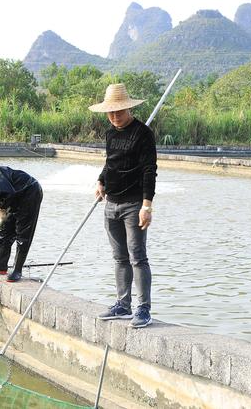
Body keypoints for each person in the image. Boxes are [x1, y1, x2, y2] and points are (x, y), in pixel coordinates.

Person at [90, 83, 157, 329]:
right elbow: (111, 163)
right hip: (111, 203)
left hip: (133, 204)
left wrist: (147, 205)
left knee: (137, 257)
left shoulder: (143, 133)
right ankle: (123, 304)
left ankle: (143, 309)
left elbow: (150, 170)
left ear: (128, 108)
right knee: (119, 258)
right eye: (110, 112)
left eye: (119, 112)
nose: (115, 117)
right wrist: (101, 181)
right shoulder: (111, 133)